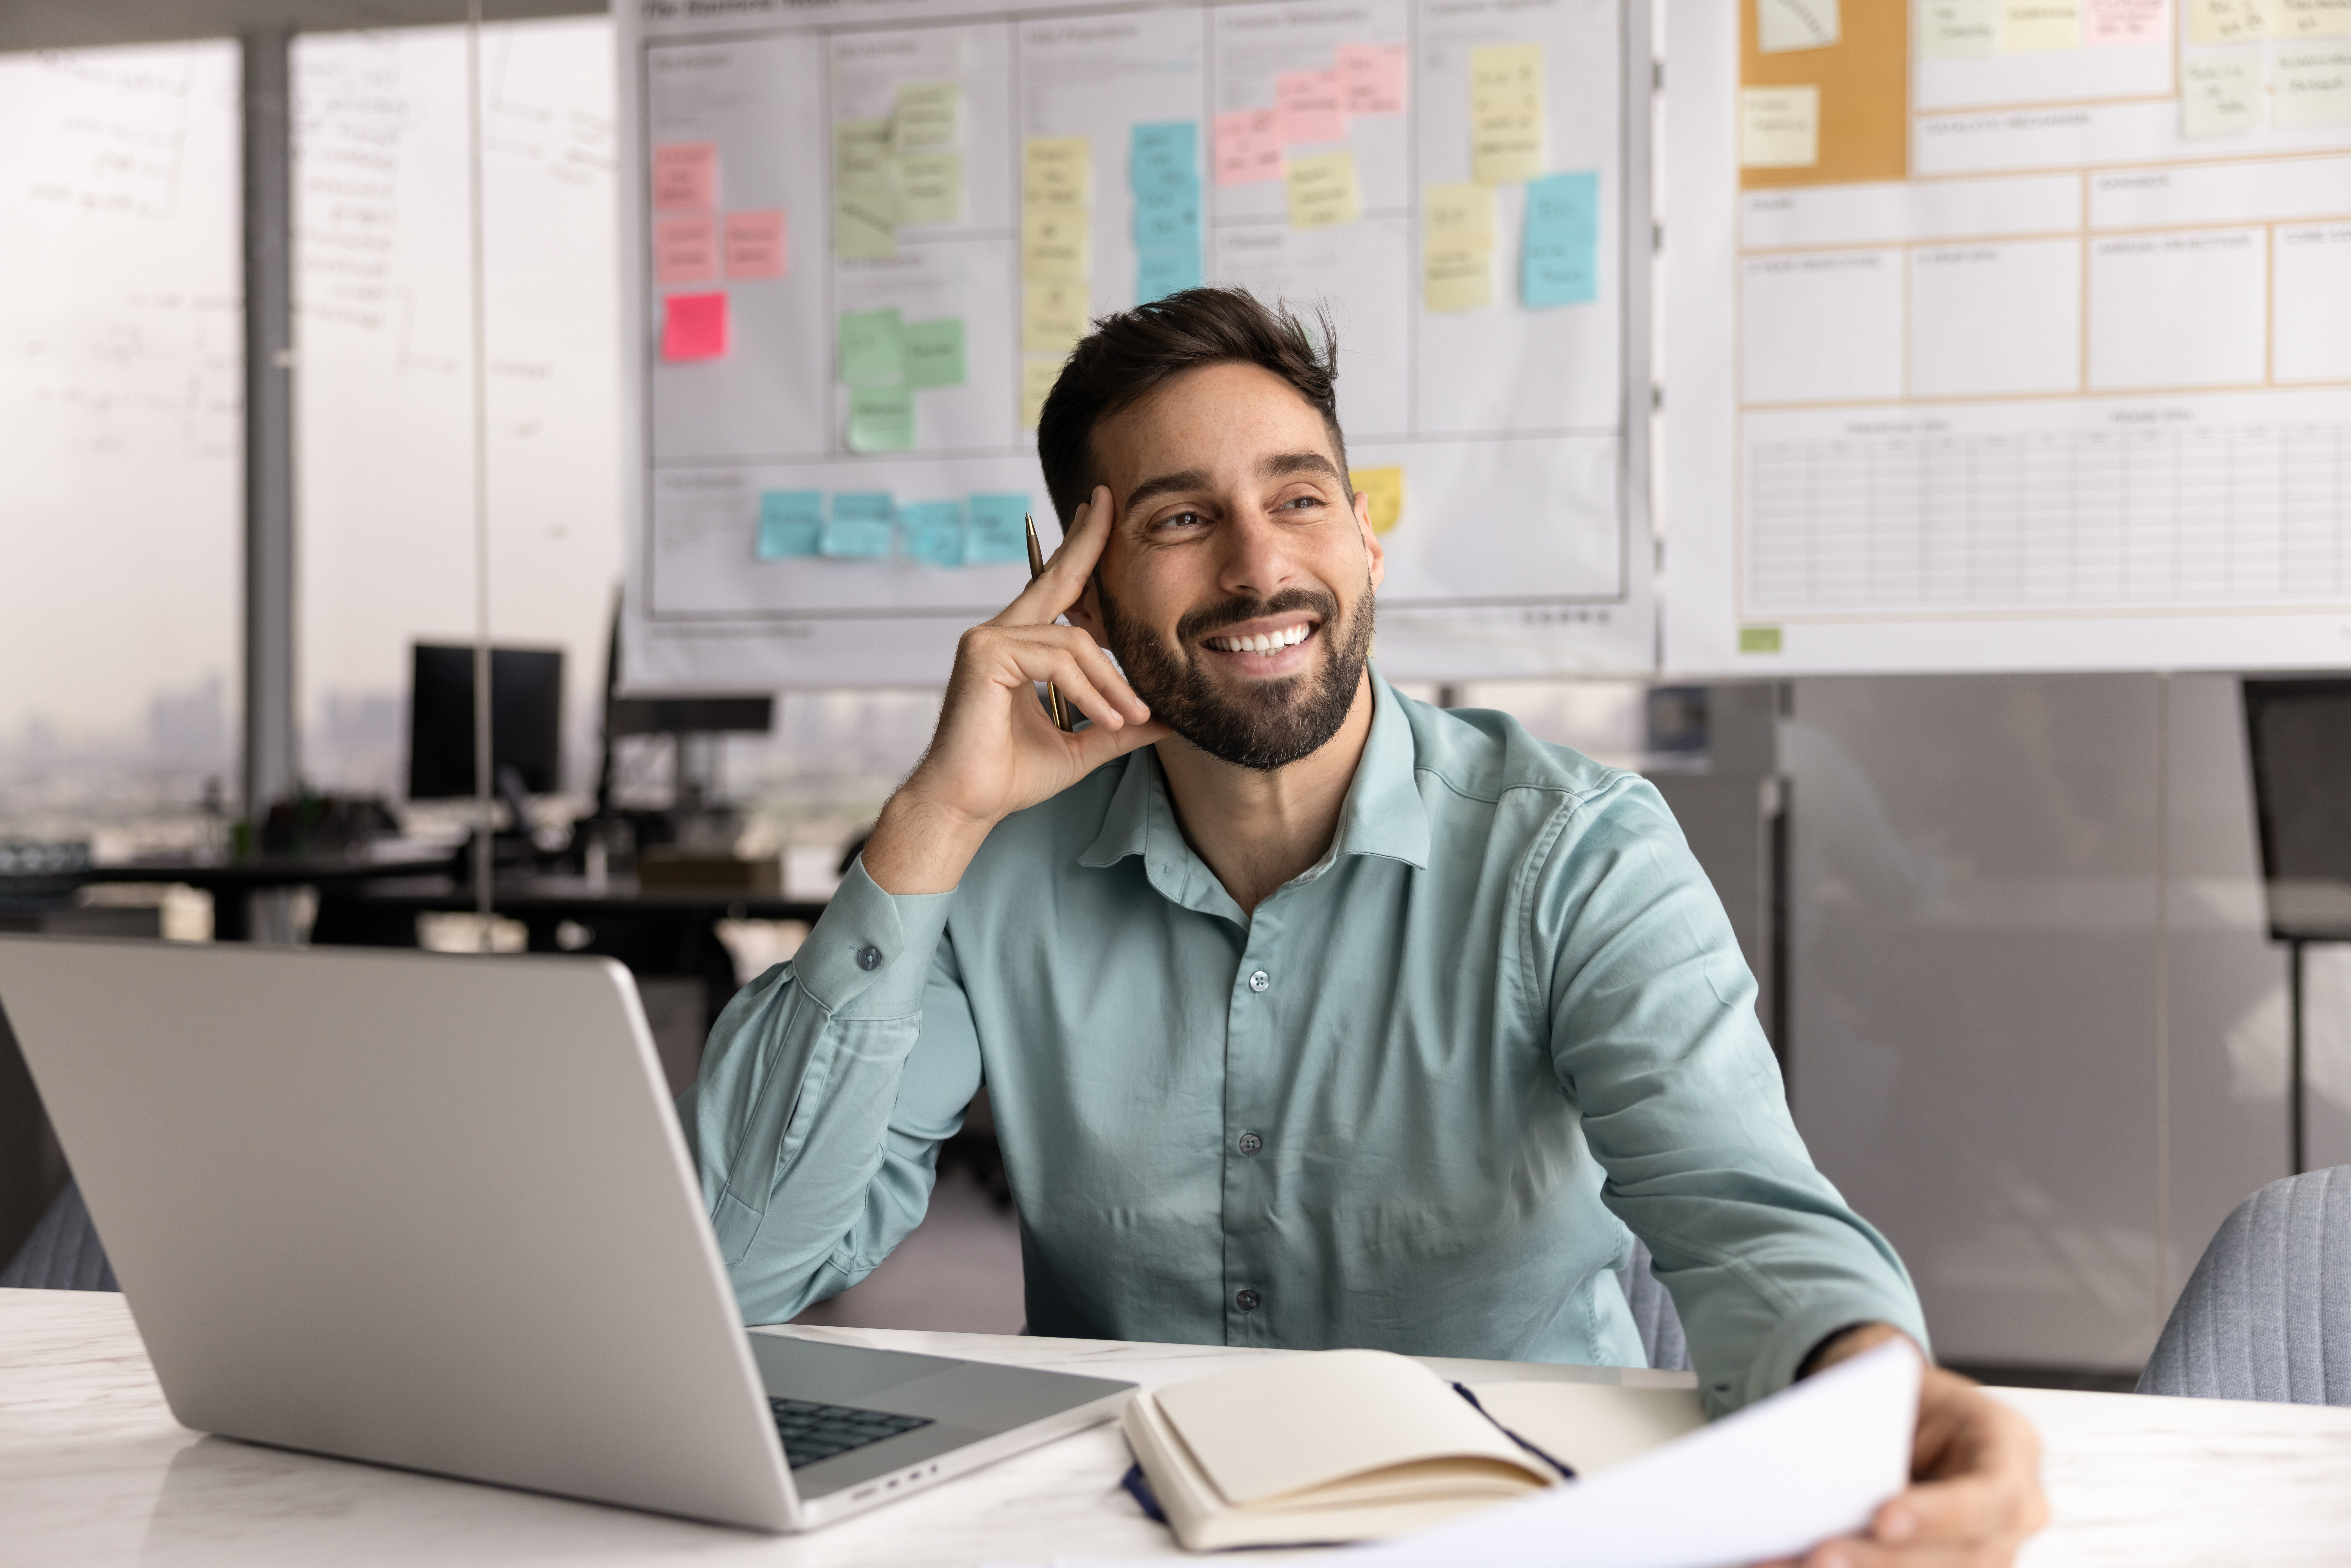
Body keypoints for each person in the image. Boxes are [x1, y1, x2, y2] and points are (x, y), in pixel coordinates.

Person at [683, 287, 2047, 1565]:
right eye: (1177, 520)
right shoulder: (996, 865)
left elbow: (1739, 1205)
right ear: (1081, 595)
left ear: (1364, 534)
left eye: (1300, 497)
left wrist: (1880, 1388)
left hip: (1515, 1522)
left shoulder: (1574, 849)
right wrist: (930, 819)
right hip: (1134, 1530)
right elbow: (741, 1269)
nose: (1259, 564)